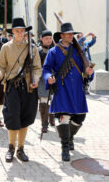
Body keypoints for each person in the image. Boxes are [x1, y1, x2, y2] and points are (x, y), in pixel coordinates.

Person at [43, 22, 94, 162]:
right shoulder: (53, 51)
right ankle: (65, 147)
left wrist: (89, 72)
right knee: (63, 117)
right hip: (62, 88)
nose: (72, 36)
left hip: (77, 88)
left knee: (79, 118)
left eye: (72, 34)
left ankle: (70, 137)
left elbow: (86, 68)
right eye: (69, 34)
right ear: (62, 35)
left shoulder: (78, 50)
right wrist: (49, 78)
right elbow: (46, 69)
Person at [0, 18, 42, 162]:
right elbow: (0, 66)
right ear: (13, 32)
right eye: (17, 31)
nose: (20, 33)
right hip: (12, 87)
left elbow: (37, 68)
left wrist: (36, 79)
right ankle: (10, 147)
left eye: (22, 30)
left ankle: (21, 149)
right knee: (12, 116)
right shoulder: (6, 48)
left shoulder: (32, 48)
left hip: (28, 87)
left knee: (25, 118)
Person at [38, 30, 55, 133]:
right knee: (44, 101)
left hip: (54, 79)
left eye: (50, 38)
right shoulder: (38, 51)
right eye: (46, 38)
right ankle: (44, 124)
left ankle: (51, 116)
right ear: (41, 39)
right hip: (42, 79)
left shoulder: (55, 50)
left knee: (52, 100)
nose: (49, 40)